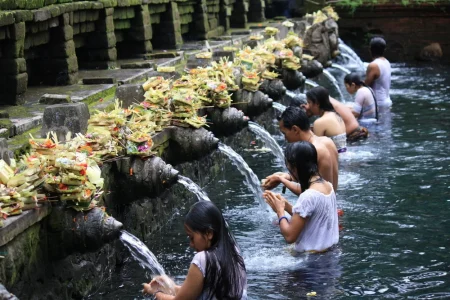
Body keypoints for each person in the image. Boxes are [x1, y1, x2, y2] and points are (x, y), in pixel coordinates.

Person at [143, 201, 247, 300]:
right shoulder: (234, 252)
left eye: (192, 237)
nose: (191, 244)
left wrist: (155, 292)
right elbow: (196, 294)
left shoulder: (203, 259)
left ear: (209, 233)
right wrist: (169, 287)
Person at [264, 141, 339, 253]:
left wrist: (279, 211)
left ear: (295, 168)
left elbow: (290, 236)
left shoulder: (308, 196)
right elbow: (309, 218)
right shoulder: (327, 186)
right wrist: (286, 205)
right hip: (329, 254)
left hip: (311, 264)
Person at [262, 106, 338, 195]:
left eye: (284, 133)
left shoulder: (316, 150)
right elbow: (317, 179)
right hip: (333, 204)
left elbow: (316, 193)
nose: (285, 138)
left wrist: (282, 181)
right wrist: (288, 177)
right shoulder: (327, 141)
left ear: (295, 129)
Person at [303, 86, 347, 153]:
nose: (308, 106)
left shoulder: (319, 122)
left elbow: (316, 150)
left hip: (335, 160)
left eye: (309, 102)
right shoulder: (336, 115)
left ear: (317, 103)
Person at [365, 36, 392, 108]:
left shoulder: (373, 65)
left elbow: (365, 86)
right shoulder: (386, 62)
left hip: (377, 104)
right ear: (384, 49)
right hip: (387, 101)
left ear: (370, 49)